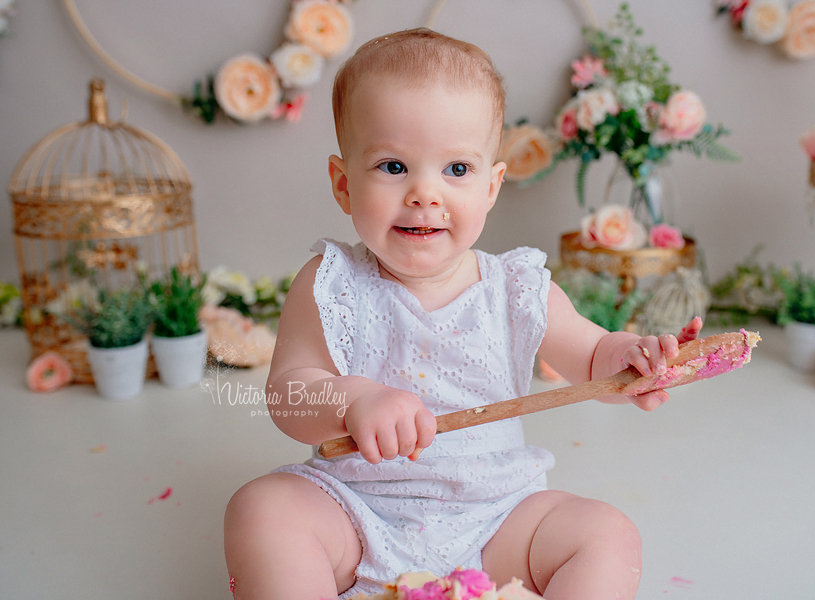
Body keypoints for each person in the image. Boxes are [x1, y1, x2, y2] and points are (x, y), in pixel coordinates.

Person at [224, 28, 702, 600]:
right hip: (358, 513)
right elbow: (288, 395)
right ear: (344, 185)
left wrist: (630, 358)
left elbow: (592, 355)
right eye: (394, 167)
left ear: (492, 185)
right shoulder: (331, 285)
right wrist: (354, 401)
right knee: (261, 509)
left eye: (456, 170)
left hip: (497, 519)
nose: (426, 193)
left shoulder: (515, 288)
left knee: (605, 533)